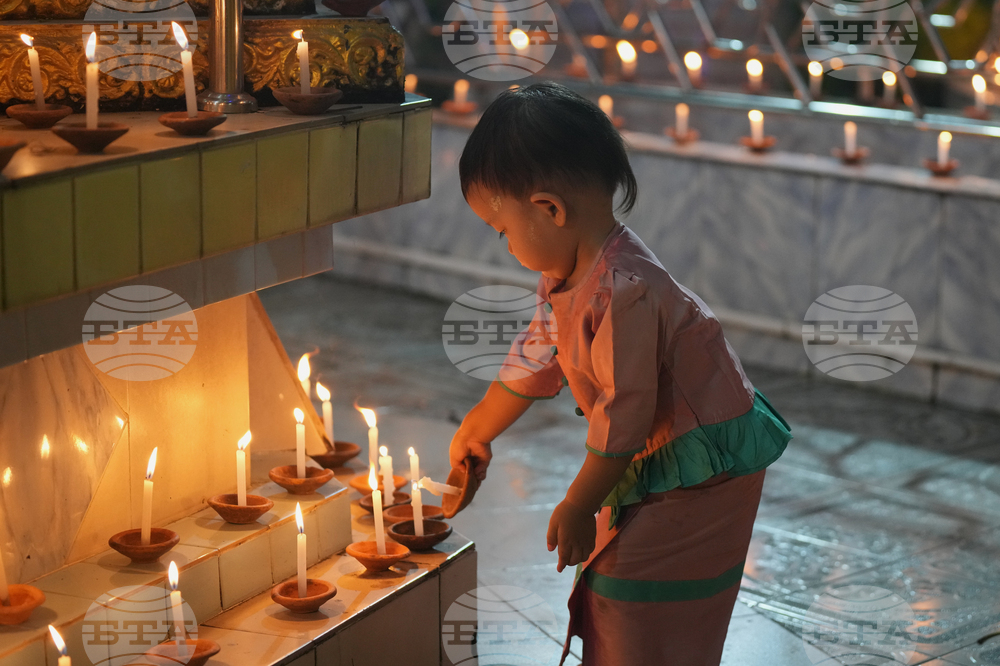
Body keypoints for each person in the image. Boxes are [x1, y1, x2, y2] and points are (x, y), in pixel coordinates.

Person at [447, 81, 793, 666]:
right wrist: (479, 428)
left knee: (637, 589)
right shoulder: (565, 274)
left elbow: (626, 414)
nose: (504, 246)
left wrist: (580, 504)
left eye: (501, 230)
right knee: (618, 584)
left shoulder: (625, 292)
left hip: (704, 468)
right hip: (659, 454)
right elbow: (537, 353)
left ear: (549, 209)